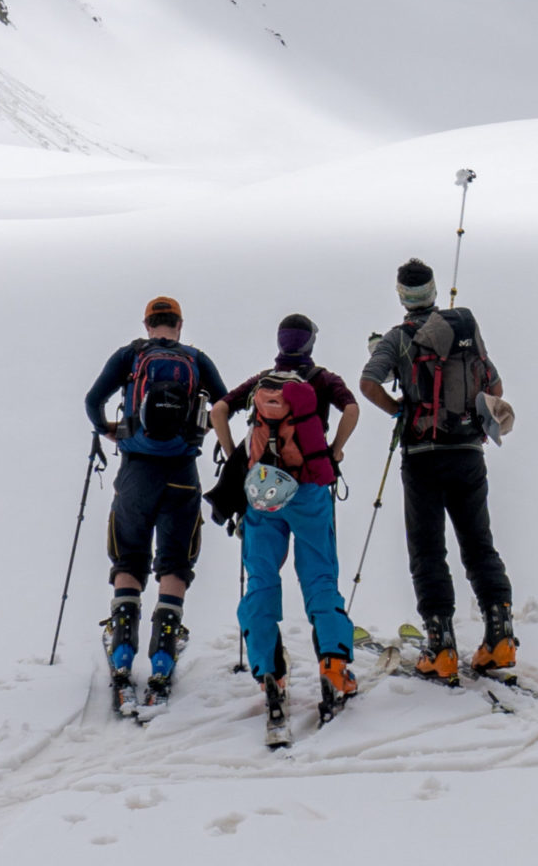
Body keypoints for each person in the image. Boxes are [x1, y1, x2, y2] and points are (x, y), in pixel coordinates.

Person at [360, 258, 516, 684]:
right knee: (479, 545)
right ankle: (500, 638)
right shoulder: (464, 330)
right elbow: (495, 387)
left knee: (428, 551)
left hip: (423, 454)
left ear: (401, 295)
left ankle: (440, 647)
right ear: (433, 292)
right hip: (468, 451)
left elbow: (369, 383)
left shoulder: (398, 338)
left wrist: (400, 410)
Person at [209, 314, 362, 723]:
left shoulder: (264, 381)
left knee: (262, 578)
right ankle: (333, 667)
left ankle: (270, 676)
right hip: (310, 489)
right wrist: (333, 450)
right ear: (310, 342)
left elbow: (218, 410)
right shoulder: (322, 379)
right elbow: (352, 409)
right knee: (319, 577)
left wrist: (233, 457)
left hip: (262, 490)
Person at [83, 295, 228, 708]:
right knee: (175, 561)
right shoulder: (196, 359)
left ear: (148, 325)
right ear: (179, 324)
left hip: (135, 471)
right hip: (182, 473)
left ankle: (124, 648)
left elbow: (92, 400)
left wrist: (111, 430)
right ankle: (163, 657)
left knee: (129, 557)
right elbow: (224, 405)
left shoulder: (131, 356)